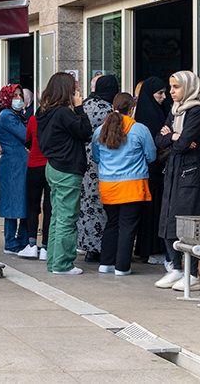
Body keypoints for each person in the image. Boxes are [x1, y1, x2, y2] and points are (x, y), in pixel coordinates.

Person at [154, 71, 200, 292]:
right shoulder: (175, 111)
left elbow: (182, 143)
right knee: (168, 219)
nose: (171, 91)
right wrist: (174, 137)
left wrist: (176, 138)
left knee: (187, 222)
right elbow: (160, 140)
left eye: (176, 87)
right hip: (173, 172)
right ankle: (176, 268)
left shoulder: (197, 111)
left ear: (187, 87)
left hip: (189, 173)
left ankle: (193, 273)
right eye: (171, 87)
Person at [92, 92, 154, 276]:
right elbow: (151, 155)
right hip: (132, 186)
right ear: (132, 109)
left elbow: (96, 157)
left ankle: (106, 263)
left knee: (112, 223)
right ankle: (122, 267)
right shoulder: (139, 130)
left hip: (107, 185)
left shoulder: (99, 131)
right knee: (127, 226)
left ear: (113, 107)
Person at [36, 72, 92, 275]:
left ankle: (53, 261)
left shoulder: (42, 112)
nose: (76, 92)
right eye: (73, 88)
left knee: (56, 217)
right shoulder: (63, 113)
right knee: (67, 218)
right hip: (68, 169)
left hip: (52, 167)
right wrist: (79, 107)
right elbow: (85, 131)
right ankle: (62, 264)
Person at [78, 74, 118, 263]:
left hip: (82, 161)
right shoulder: (109, 110)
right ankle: (102, 248)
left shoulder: (85, 105)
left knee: (86, 205)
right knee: (102, 206)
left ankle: (88, 248)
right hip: (102, 162)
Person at [132, 77, 169, 264]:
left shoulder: (152, 112)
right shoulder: (150, 116)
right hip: (153, 170)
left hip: (150, 171)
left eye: (164, 92)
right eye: (159, 93)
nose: (163, 97)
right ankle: (153, 249)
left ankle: (148, 248)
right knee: (153, 212)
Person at [0, 84, 32, 257]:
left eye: (20, 96)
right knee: (13, 204)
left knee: (22, 202)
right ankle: (11, 242)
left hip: (18, 164)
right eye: (15, 96)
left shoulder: (15, 115)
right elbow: (26, 136)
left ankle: (22, 241)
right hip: (13, 166)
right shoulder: (8, 116)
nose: (18, 99)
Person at [25, 109, 51, 261]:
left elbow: (27, 139)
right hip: (49, 165)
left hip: (33, 165)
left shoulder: (33, 120)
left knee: (32, 206)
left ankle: (32, 244)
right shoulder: (56, 119)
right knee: (49, 207)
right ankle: (46, 247)